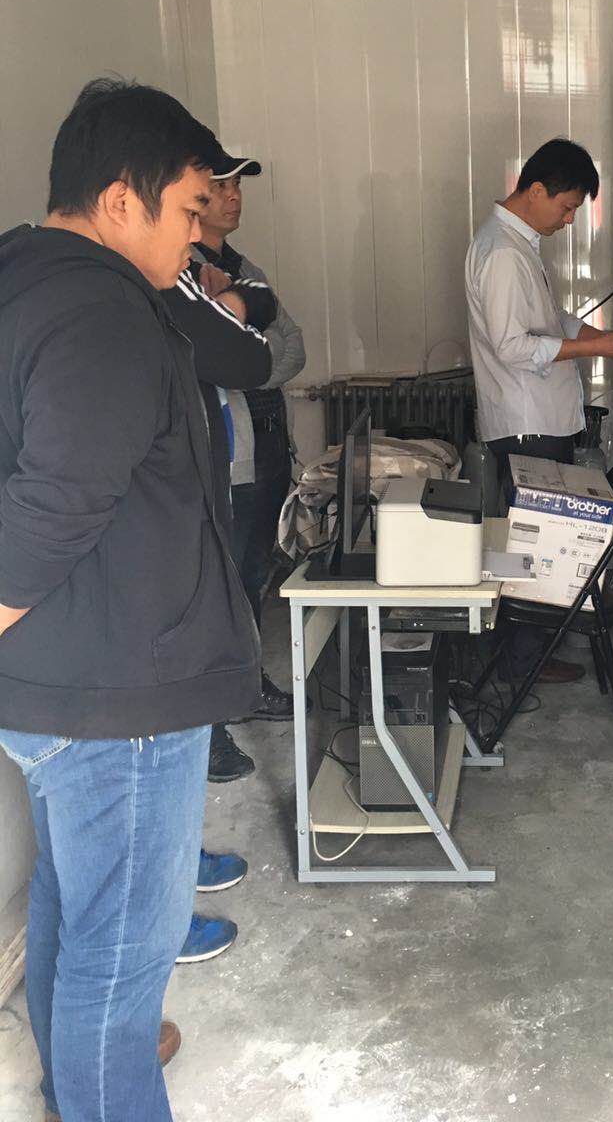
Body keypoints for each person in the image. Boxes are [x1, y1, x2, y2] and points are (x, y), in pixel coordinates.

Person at [0, 79, 260, 1122]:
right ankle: (102, 1087)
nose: (198, 234)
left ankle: (76, 1087)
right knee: (120, 963)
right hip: (121, 702)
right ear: (120, 200)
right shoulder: (103, 313)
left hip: (55, 686)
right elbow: (52, 509)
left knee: (72, 909)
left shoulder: (20, 274)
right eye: (190, 209)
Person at [465, 138, 613, 683]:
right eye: (566, 207)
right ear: (536, 190)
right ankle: (521, 664)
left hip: (537, 418)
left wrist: (597, 335)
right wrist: (596, 348)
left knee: (532, 541)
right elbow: (512, 346)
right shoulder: (502, 252)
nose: (569, 221)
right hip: (528, 424)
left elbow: (547, 320)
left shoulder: (517, 244)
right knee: (533, 547)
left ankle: (522, 655)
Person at [164, 181, 280, 962]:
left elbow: (269, 342)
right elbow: (248, 350)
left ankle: (175, 866)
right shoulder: (133, 297)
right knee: (143, 755)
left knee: (168, 740)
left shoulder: (181, 278)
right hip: (150, 551)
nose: (197, 234)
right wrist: (227, 305)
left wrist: (232, 299)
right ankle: (159, 914)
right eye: (191, 209)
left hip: (195, 509)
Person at [189, 153, 306, 727]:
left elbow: (294, 346)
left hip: (268, 441)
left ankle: (247, 683)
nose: (233, 196)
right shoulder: (184, 274)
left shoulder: (242, 266)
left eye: (237, 185)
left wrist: (251, 364)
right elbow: (210, 362)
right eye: (219, 186)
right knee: (228, 577)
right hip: (231, 455)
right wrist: (253, 356)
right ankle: (214, 712)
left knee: (256, 569)